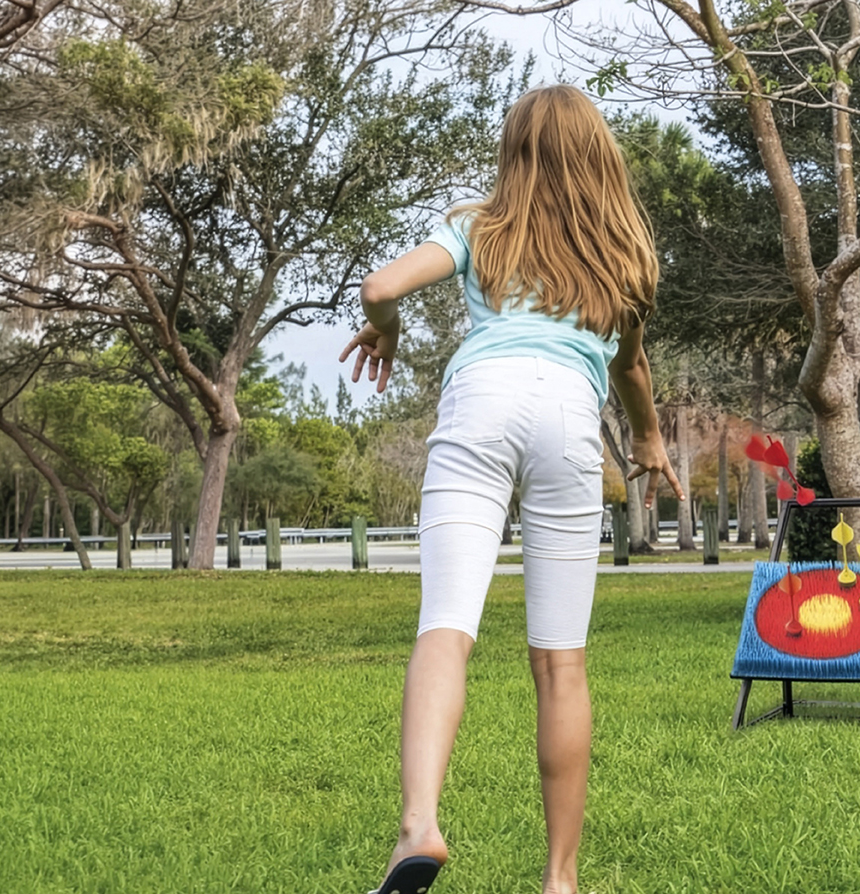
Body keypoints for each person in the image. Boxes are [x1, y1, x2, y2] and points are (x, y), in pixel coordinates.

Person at [340, 84, 683, 894]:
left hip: (481, 404)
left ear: (514, 152)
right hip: (570, 418)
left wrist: (383, 333)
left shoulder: (477, 224)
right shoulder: (624, 254)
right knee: (561, 662)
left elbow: (381, 288)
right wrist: (647, 438)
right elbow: (630, 364)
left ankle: (420, 825)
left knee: (447, 626)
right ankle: (560, 879)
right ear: (601, 155)